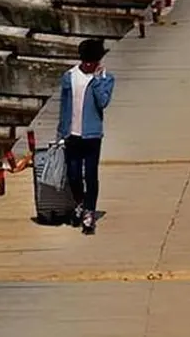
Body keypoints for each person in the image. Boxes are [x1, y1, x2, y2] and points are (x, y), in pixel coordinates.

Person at [56, 39, 115, 235]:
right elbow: (64, 106)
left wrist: (97, 81)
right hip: (72, 134)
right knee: (73, 174)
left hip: (92, 135)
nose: (90, 65)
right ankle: (80, 203)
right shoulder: (69, 77)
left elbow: (103, 102)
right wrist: (60, 132)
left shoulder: (106, 78)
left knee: (90, 175)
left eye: (93, 62)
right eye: (87, 61)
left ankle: (89, 211)